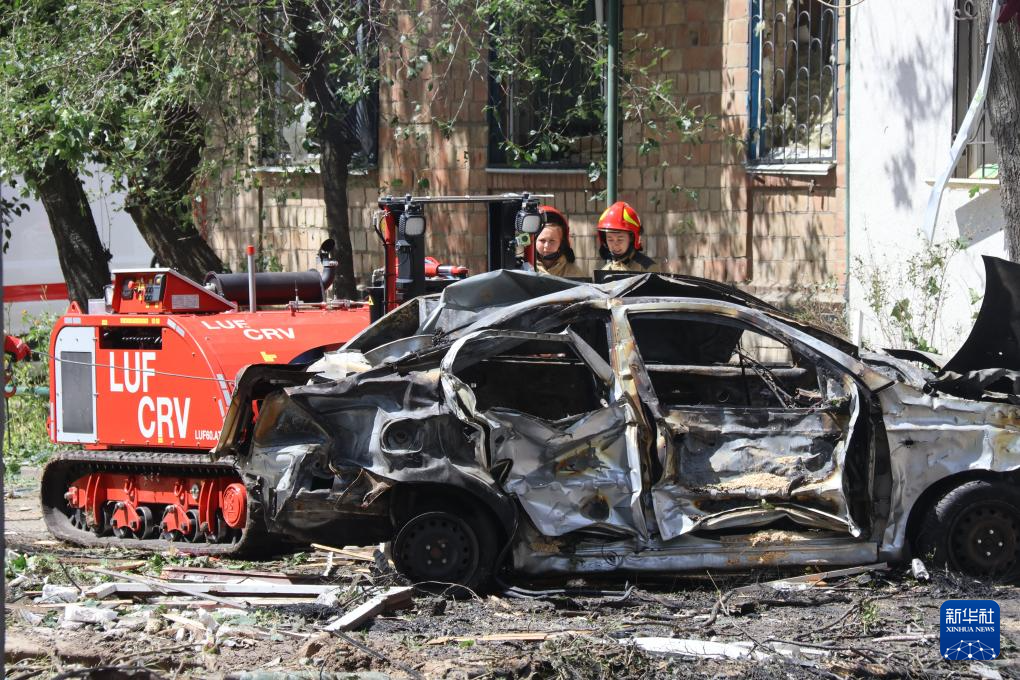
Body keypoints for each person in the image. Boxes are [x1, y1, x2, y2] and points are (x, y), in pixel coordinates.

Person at [597, 201, 657, 272]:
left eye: (620, 239)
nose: (615, 244)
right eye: (610, 240)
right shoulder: (604, 271)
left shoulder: (649, 269)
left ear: (631, 238)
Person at [534, 205, 585, 278]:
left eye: (552, 241)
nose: (546, 246)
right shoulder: (525, 269)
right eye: (542, 240)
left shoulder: (574, 273)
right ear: (534, 241)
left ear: (561, 242)